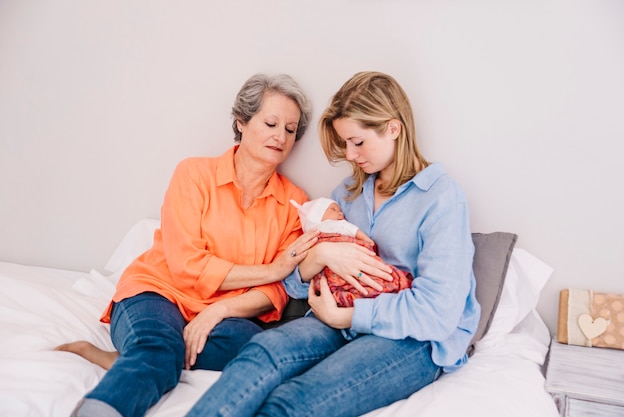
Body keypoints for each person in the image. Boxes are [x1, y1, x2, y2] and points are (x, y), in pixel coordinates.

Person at [185, 71, 481, 417]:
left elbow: (438, 312)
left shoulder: (441, 198)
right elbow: (294, 284)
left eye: (357, 142)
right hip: (332, 317)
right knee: (260, 354)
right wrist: (321, 256)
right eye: (345, 144)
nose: (351, 155)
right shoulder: (346, 196)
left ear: (393, 129)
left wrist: (350, 316)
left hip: (411, 338)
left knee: (293, 401)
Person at [55, 73, 320, 417]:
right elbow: (186, 265)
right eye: (270, 123)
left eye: (290, 129)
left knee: (256, 348)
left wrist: (219, 309)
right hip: (159, 292)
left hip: (226, 314)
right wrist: (272, 268)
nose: (280, 136)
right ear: (241, 122)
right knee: (157, 348)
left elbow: (277, 292)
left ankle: (128, 360)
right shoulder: (194, 174)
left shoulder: (294, 202)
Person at [290, 197, 413, 307]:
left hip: (333, 297)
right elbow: (350, 229)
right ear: (319, 217)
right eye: (333, 209)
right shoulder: (335, 221)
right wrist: (368, 242)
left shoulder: (308, 238)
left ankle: (347, 301)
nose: (340, 213)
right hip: (327, 293)